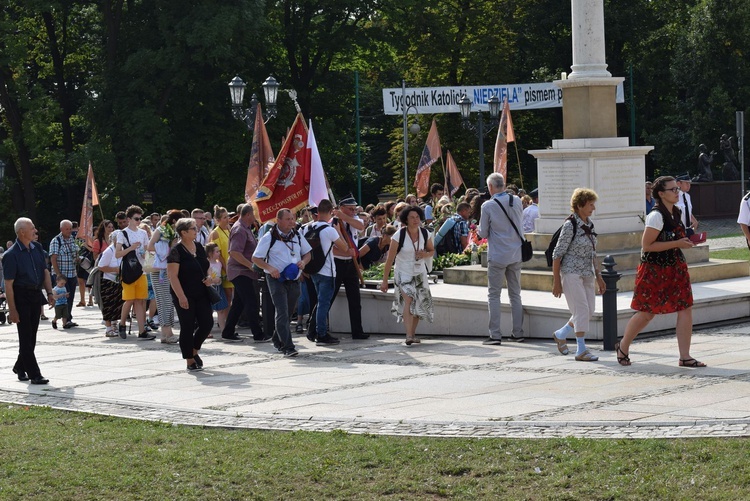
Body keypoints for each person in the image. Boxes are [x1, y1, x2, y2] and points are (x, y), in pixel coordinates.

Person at [616, 176, 705, 368]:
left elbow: (676, 236)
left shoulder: (678, 211)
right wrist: (677, 243)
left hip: (675, 266)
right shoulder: (655, 216)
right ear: (661, 194)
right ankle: (623, 346)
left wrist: (689, 239)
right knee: (647, 312)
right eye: (673, 189)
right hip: (654, 269)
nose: (677, 192)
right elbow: (647, 246)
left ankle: (685, 356)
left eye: (677, 189)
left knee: (685, 307)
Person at [551, 189, 606, 362]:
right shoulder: (570, 225)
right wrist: (556, 282)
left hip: (587, 272)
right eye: (590, 204)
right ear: (580, 205)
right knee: (581, 309)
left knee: (589, 310)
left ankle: (561, 334)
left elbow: (593, 253)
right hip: (571, 272)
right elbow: (557, 254)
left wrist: (599, 276)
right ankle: (581, 349)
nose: (593, 208)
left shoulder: (589, 224)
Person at [252, 209, 312, 358]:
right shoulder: (269, 237)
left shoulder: (297, 235)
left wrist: (303, 262)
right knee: (282, 312)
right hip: (276, 280)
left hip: (294, 280)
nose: (292, 222)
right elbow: (256, 258)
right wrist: (270, 268)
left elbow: (308, 253)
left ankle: (277, 338)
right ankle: (288, 346)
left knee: (289, 311)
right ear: (278, 221)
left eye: (293, 218)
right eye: (288, 219)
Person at [4, 217, 55, 384]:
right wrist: (12, 310)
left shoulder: (37, 248)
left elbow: (45, 271)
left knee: (31, 335)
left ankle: (20, 365)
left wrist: (49, 292)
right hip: (21, 296)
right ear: (22, 232)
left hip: (35, 295)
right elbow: (8, 285)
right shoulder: (11, 255)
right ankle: (34, 374)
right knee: (25, 336)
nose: (35, 231)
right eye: (32, 228)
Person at [477, 173, 524, 345]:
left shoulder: (488, 206)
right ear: (503, 185)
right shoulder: (517, 200)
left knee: (494, 294)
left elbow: (483, 232)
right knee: (515, 294)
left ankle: (495, 335)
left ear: (490, 187)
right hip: (516, 252)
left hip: (497, 254)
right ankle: (518, 332)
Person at [380, 205, 435, 345]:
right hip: (403, 272)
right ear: (406, 219)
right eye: (412, 217)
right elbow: (390, 260)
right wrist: (385, 281)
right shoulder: (399, 235)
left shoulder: (424, 233)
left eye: (417, 217)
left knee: (419, 303)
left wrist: (425, 254)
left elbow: (431, 251)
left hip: (419, 272)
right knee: (409, 299)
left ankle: (412, 334)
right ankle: (409, 335)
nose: (415, 220)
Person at [167, 218, 214, 371]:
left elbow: (205, 266)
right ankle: (189, 360)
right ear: (184, 232)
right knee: (187, 326)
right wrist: (181, 297)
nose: (196, 230)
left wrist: (209, 277)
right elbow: (172, 276)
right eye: (193, 228)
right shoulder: (176, 251)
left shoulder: (199, 247)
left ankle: (194, 350)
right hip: (184, 293)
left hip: (201, 291)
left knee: (207, 323)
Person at [306, 199, 349, 345]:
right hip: (327, 271)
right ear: (331, 212)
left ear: (317, 212)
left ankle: (313, 331)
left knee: (320, 302)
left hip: (312, 269)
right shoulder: (330, 230)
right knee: (324, 303)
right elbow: (344, 248)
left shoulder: (307, 228)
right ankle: (321, 334)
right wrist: (338, 232)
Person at [223, 203, 267, 342]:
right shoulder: (240, 230)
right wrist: (251, 266)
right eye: (254, 214)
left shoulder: (245, 228)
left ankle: (228, 332)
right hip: (240, 272)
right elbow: (234, 252)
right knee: (251, 302)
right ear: (248, 215)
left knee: (239, 303)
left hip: (244, 272)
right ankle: (258, 335)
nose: (255, 217)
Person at [115, 205, 155, 340]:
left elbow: (146, 251)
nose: (139, 221)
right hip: (128, 270)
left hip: (141, 270)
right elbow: (117, 254)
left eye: (140, 218)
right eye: (136, 219)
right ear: (129, 219)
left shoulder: (143, 233)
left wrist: (145, 254)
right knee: (129, 299)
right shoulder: (122, 233)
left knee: (140, 300)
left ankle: (142, 330)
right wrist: (131, 248)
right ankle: (121, 324)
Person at [331, 196, 369, 339]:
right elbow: (330, 248)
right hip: (338, 263)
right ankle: (316, 328)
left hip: (351, 264)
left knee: (355, 299)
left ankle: (357, 331)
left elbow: (361, 226)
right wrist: (345, 251)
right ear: (341, 208)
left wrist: (344, 217)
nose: (353, 211)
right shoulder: (332, 223)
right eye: (350, 209)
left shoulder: (354, 221)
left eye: (355, 209)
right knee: (330, 296)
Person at [147, 210, 182, 344]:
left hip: (168, 268)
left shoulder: (173, 233)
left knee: (168, 300)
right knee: (164, 301)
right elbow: (150, 246)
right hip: (158, 270)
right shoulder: (161, 230)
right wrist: (166, 249)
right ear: (174, 221)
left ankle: (166, 333)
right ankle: (166, 332)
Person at [49, 219, 79, 328]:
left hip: (72, 273)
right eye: (67, 229)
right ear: (61, 229)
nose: (69, 231)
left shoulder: (71, 239)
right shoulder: (56, 240)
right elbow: (53, 259)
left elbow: (75, 253)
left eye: (70, 229)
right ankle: (62, 320)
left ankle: (68, 319)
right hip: (61, 275)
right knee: (62, 299)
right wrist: (58, 275)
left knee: (69, 297)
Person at [210, 205, 233, 331]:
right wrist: (226, 268)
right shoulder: (215, 233)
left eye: (227, 216)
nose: (227, 219)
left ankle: (227, 321)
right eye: (224, 217)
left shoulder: (229, 229)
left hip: (232, 267)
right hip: (223, 269)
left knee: (231, 296)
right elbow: (218, 255)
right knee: (227, 296)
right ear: (218, 220)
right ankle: (224, 322)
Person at [96, 232, 124, 337]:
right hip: (108, 281)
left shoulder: (122, 250)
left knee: (118, 304)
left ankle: (114, 324)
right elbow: (101, 266)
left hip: (119, 281)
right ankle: (108, 328)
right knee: (108, 305)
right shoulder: (109, 251)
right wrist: (114, 270)